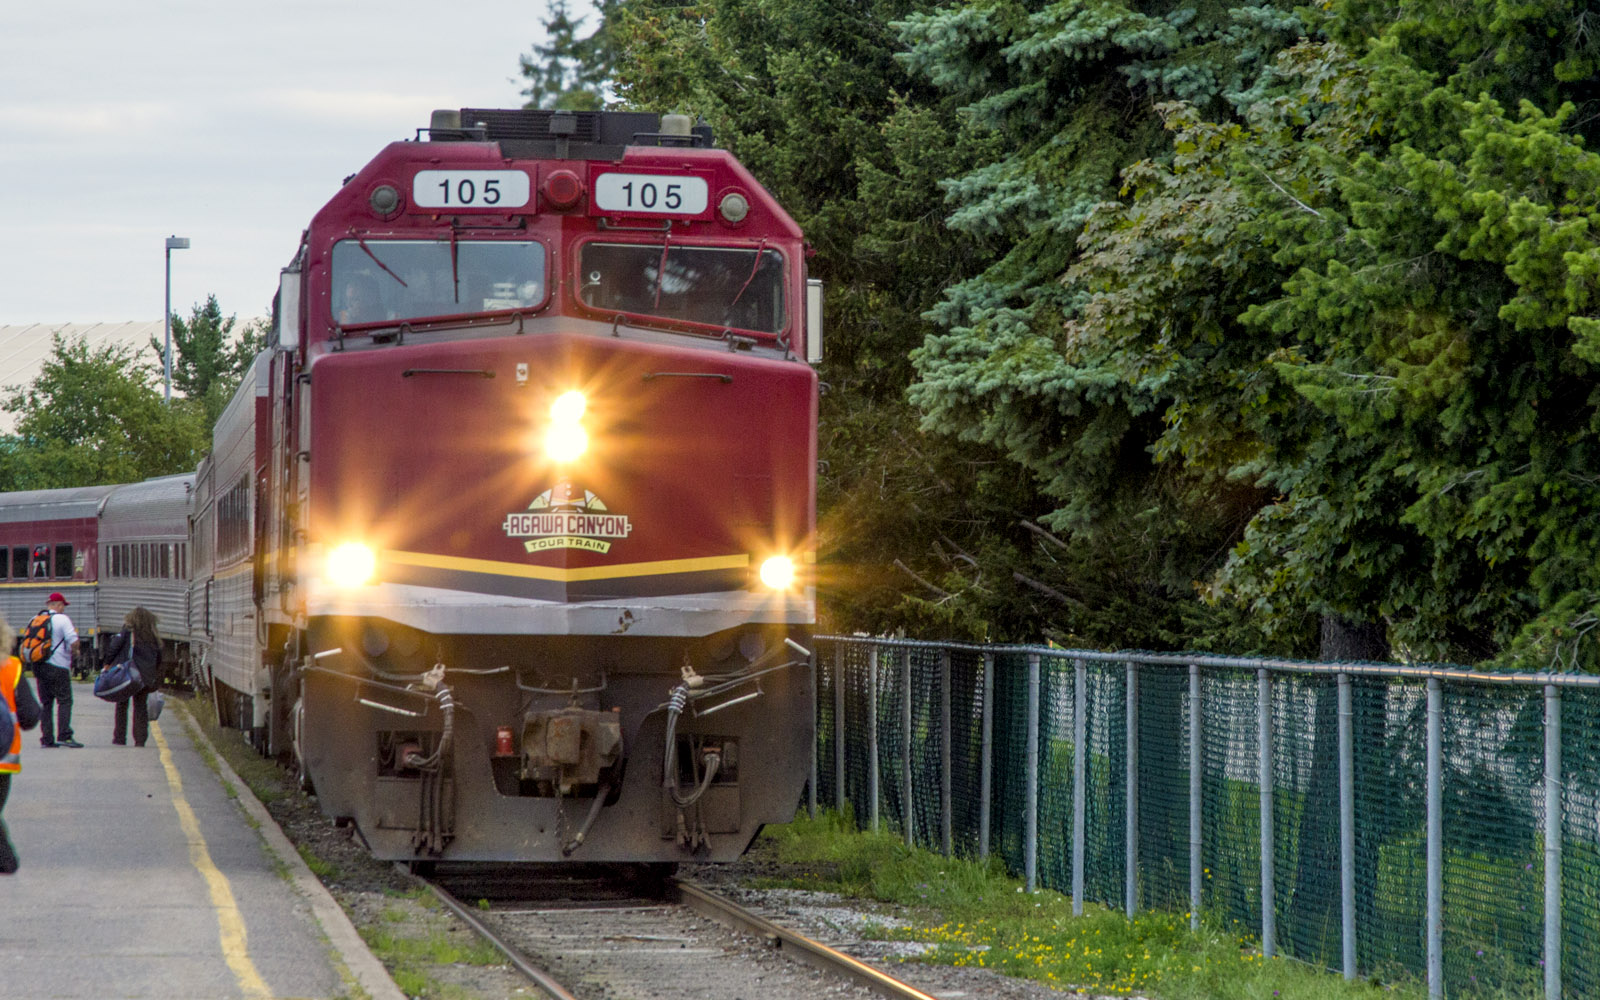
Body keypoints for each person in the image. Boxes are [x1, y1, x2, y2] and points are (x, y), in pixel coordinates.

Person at [0, 617, 42, 873]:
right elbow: (30, 716)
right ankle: (5, 859)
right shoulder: (12, 668)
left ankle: (5, 858)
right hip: (3, 758)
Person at [103, 606, 162, 747]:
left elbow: (114, 647)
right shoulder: (153, 635)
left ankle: (119, 738)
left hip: (127, 674)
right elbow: (159, 657)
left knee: (122, 705)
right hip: (143, 677)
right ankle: (140, 740)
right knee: (140, 707)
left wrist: (107, 663)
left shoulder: (127, 632)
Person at [34, 592, 79, 748]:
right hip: (59, 666)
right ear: (58, 605)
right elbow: (73, 640)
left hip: (40, 666)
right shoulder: (62, 619)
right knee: (65, 700)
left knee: (46, 703)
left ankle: (47, 739)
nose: (64, 609)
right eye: (63, 606)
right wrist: (75, 652)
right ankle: (64, 736)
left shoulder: (36, 619)